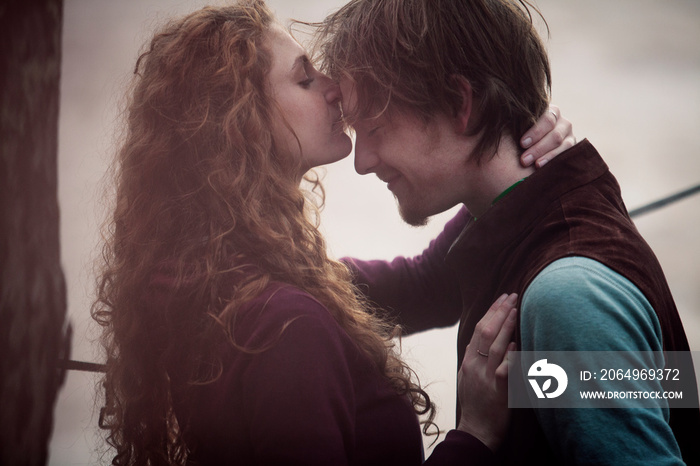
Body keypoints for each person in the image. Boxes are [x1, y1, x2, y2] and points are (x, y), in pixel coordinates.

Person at [90, 1, 572, 464]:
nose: (335, 88)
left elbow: (429, 285)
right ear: (242, 122)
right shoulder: (283, 326)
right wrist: (475, 436)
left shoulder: (229, 284)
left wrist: (503, 155)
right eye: (305, 78)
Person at [311, 0, 700, 464]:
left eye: (375, 129)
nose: (361, 162)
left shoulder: (567, 296)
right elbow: (416, 288)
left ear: (461, 104)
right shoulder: (519, 218)